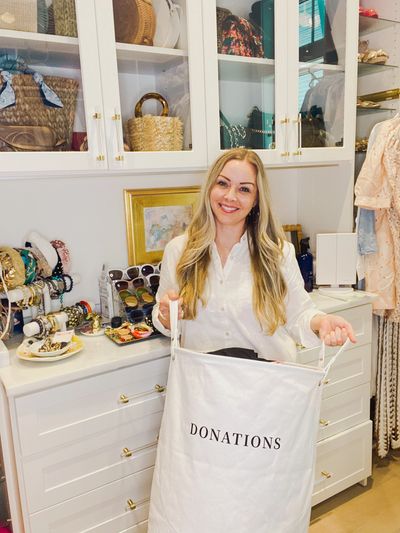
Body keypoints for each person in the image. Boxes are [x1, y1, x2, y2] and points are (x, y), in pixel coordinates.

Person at [152, 148, 356, 361]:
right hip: (204, 385)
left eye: (244, 189)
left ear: (256, 199)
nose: (230, 196)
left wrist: (321, 322)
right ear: (210, 188)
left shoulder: (278, 253)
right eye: (222, 183)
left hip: (266, 384)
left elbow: (298, 314)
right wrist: (167, 317)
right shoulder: (179, 251)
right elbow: (163, 314)